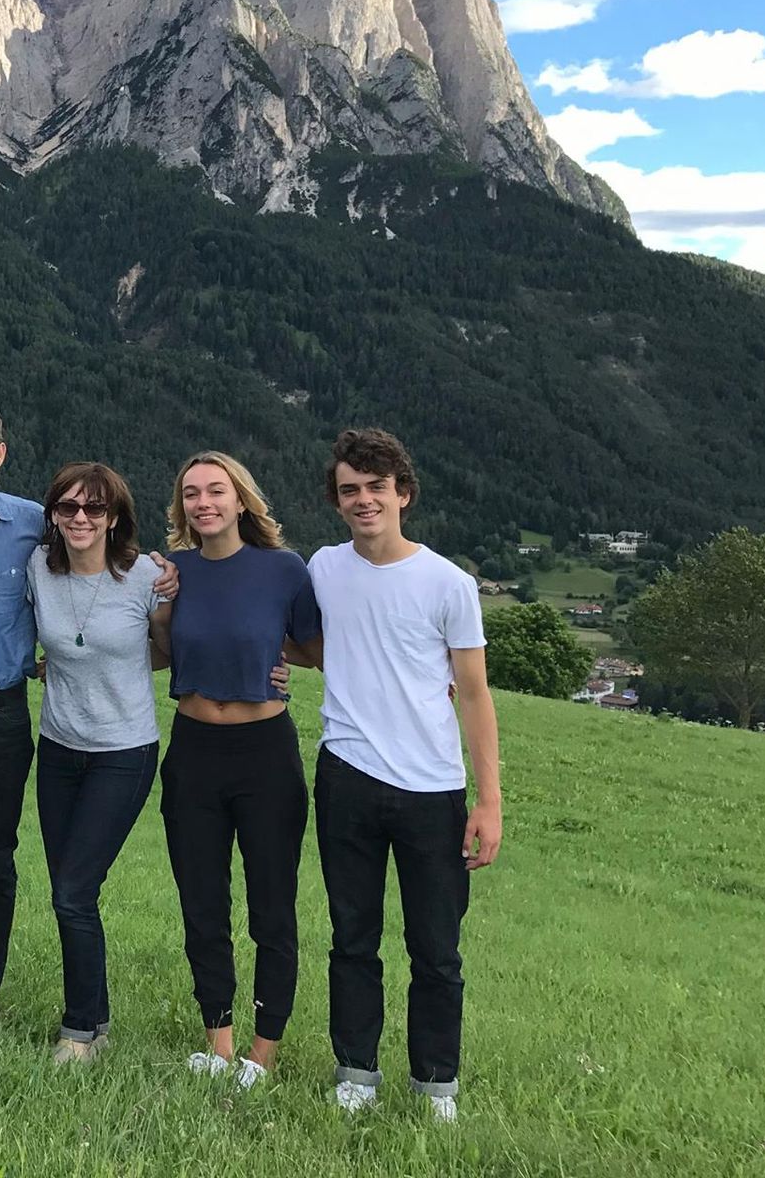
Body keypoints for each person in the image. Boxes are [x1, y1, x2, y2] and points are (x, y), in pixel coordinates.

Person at [0, 401, 179, 1023]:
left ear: (2, 455)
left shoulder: (32, 526)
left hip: (5, 717)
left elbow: (100, 565)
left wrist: (168, 578)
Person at [303, 428, 502, 1122]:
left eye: (376, 489)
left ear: (403, 494)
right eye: (350, 490)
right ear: (338, 500)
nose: (363, 501)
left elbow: (473, 693)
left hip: (432, 790)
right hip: (347, 778)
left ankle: (435, 1085)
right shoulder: (324, 568)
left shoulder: (448, 584)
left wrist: (490, 801)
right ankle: (356, 1071)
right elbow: (314, 640)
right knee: (352, 936)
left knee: (436, 950)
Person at [159, 451, 320, 1089]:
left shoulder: (284, 570)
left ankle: (264, 1054)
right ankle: (218, 1047)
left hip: (265, 754)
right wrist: (161, 607)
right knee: (203, 902)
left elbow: (312, 649)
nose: (204, 503)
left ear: (241, 500)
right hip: (193, 749)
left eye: (216, 491)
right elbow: (163, 651)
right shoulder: (173, 571)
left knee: (271, 907)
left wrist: (282, 657)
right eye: (191, 493)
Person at [27, 462, 168, 1063]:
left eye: (95, 509)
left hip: (123, 752)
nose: (80, 519)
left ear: (116, 518)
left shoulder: (148, 578)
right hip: (58, 749)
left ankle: (80, 1032)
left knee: (73, 892)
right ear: (54, 515)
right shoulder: (39, 567)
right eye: (68, 508)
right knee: (70, 890)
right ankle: (97, 1018)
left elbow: (167, 652)